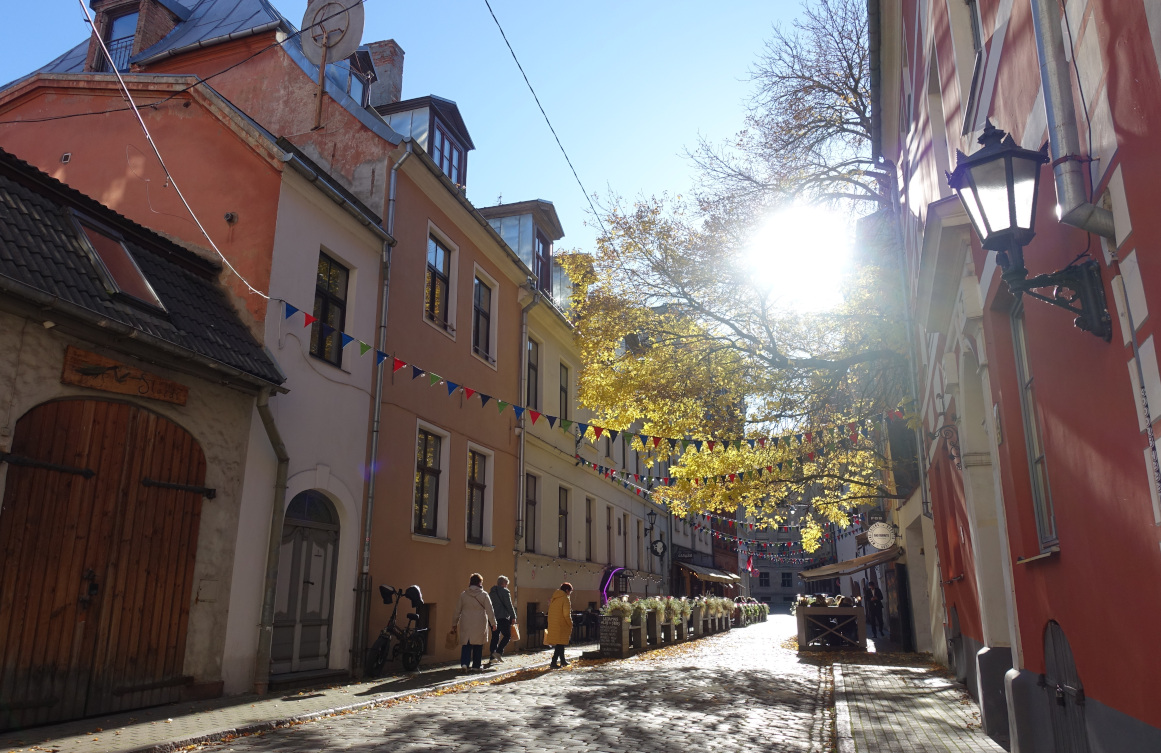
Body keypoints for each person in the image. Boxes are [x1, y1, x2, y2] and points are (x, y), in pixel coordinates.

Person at [452, 573, 497, 672]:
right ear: (480, 583)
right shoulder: (484, 595)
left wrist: (454, 623)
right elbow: (490, 610)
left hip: (466, 621)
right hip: (479, 622)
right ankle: (476, 666)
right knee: (478, 644)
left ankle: (464, 663)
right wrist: (493, 623)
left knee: (466, 644)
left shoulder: (463, 595)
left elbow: (457, 610)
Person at [488, 575, 517, 663]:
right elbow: (509, 605)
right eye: (507, 584)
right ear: (504, 584)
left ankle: (492, 657)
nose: (507, 586)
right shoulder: (505, 592)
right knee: (507, 635)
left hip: (493, 618)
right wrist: (513, 616)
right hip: (503, 617)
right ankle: (499, 652)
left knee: (495, 636)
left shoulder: (491, 593)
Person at [546, 582, 574, 668]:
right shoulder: (565, 599)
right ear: (566, 590)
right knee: (560, 644)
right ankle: (553, 662)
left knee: (560, 643)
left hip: (554, 623)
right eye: (570, 591)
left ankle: (562, 660)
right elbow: (566, 614)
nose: (570, 593)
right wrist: (570, 623)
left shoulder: (555, 598)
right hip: (562, 624)